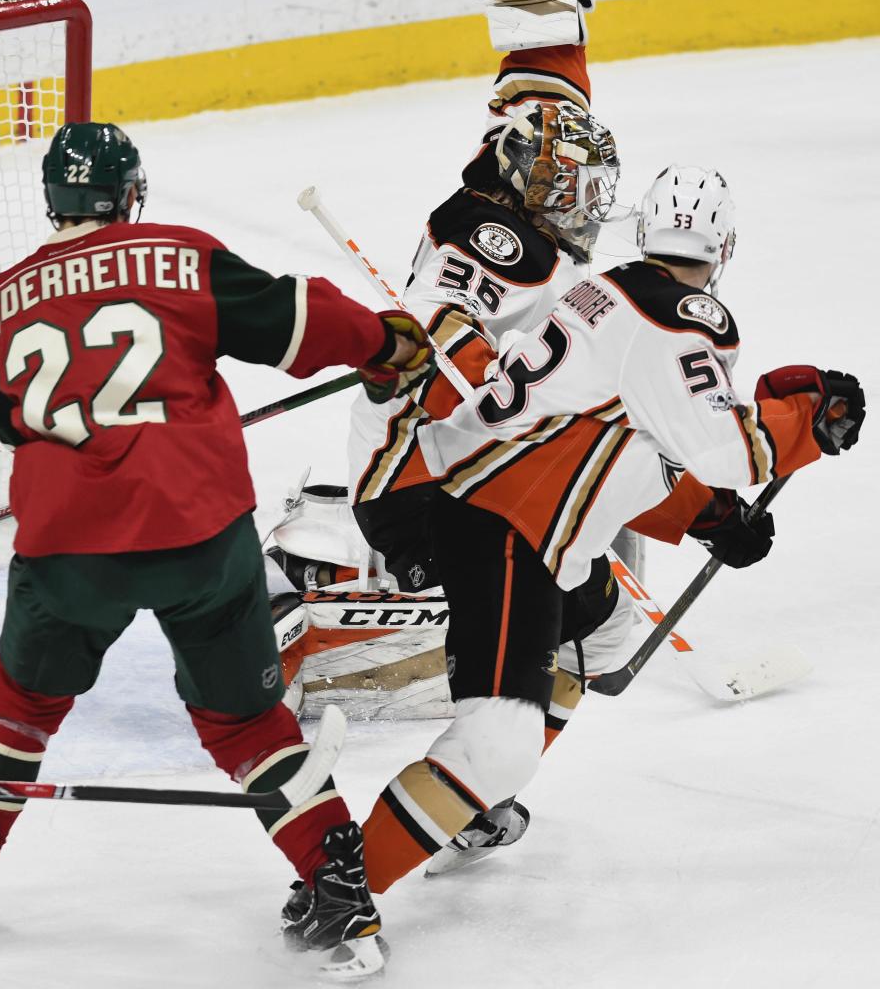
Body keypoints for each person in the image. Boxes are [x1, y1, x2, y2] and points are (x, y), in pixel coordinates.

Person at [268, 0, 731, 874]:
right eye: (574, 192)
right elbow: (459, 375)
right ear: (531, 195)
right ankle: (468, 787)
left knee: (588, 578)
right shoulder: (496, 258)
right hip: (435, 483)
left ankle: (470, 767)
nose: (590, 204)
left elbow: (542, 110)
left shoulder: (505, 182)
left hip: (440, 453)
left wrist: (537, 1)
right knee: (595, 634)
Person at [0, 121, 433, 979]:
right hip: (197, 529)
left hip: (67, 545)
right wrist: (382, 346)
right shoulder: (177, 256)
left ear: (54, 201)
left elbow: (20, 424)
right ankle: (336, 875)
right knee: (243, 719)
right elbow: (297, 321)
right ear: (129, 195)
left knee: (18, 704)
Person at [357, 153, 866, 896]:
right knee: (496, 745)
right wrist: (807, 425)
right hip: (504, 525)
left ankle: (464, 805)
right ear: (724, 249)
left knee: (599, 628)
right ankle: (338, 888)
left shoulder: (600, 293)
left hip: (495, 499)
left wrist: (709, 514)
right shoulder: (681, 318)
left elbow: (610, 443)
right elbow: (721, 446)